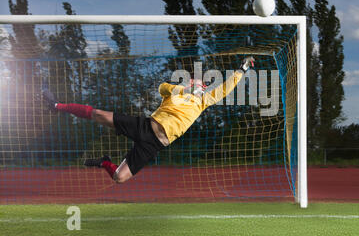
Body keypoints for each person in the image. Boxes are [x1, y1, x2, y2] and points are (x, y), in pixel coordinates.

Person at [42, 56, 255, 184]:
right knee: (98, 114)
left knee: (119, 178)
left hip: (154, 145)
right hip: (144, 126)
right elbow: (162, 87)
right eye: (198, 82)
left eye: (203, 85)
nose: (202, 85)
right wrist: (184, 87)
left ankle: (105, 161)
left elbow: (226, 88)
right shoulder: (176, 92)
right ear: (192, 82)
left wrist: (242, 69)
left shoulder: (203, 102)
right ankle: (56, 106)